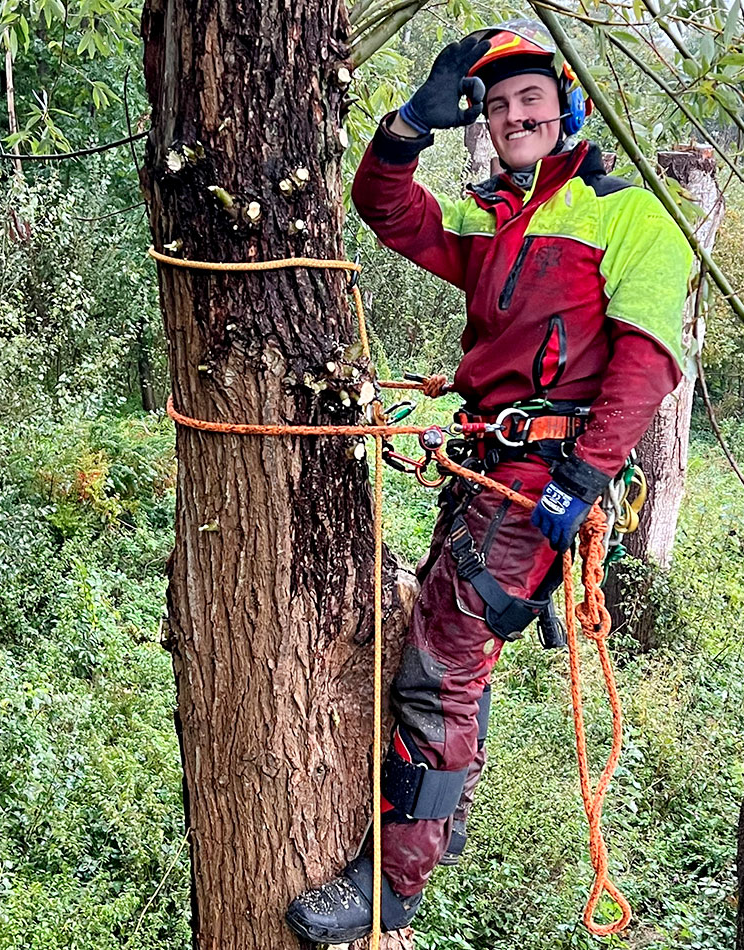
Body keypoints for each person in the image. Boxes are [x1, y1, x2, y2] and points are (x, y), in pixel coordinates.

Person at [284, 20, 694, 944]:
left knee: (443, 659)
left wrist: (581, 481)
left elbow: (647, 360)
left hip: (542, 471)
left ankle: (395, 882)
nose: (516, 115)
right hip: (487, 469)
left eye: (532, 100)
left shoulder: (627, 217)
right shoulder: (491, 215)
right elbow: (390, 213)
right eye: (500, 103)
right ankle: (441, 812)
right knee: (451, 650)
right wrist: (405, 130)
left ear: (568, 110)